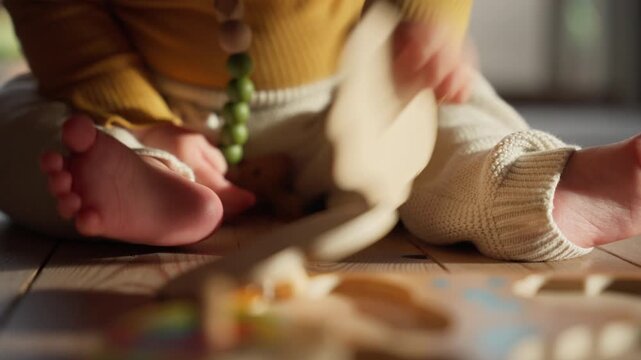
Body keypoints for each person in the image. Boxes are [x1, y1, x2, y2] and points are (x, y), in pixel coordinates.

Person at [1, 0, 639, 260]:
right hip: (150, 104)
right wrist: (136, 117)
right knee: (26, 129)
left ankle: (532, 187)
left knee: (448, 128)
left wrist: (426, 30)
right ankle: (153, 174)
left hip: (361, 100)